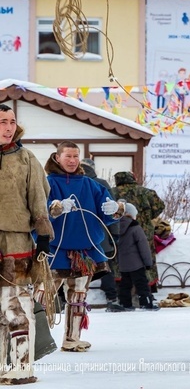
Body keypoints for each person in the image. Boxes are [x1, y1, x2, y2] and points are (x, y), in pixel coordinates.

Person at [45, 141, 125, 352]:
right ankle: (36, 338)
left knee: (79, 296)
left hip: (86, 250)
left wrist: (115, 209)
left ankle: (72, 338)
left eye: (75, 156)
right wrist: (55, 208)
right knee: (44, 295)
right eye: (68, 156)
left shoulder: (91, 184)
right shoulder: (47, 183)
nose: (72, 160)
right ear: (57, 158)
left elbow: (108, 213)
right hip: (56, 248)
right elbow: (36, 210)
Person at [0, 104, 55, 384]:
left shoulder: (25, 158)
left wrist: (43, 236)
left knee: (16, 307)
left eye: (11, 121)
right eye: (2, 122)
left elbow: (38, 196)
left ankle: (22, 367)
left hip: (16, 241)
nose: (8, 127)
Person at [80, 158, 124, 313]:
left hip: (76, 236)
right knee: (104, 268)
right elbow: (112, 211)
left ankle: (68, 299)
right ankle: (112, 299)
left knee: (73, 268)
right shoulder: (101, 183)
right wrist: (115, 234)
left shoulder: (72, 182)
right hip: (101, 235)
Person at [112, 171, 165, 291]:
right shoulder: (146, 192)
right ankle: (146, 287)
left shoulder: (112, 192)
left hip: (120, 231)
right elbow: (160, 206)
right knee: (145, 256)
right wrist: (147, 217)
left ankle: (123, 289)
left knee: (121, 258)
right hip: (143, 230)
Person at [116, 203, 158, 310]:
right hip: (137, 264)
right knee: (142, 284)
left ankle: (125, 304)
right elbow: (143, 247)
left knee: (125, 285)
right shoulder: (135, 228)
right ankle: (146, 303)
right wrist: (148, 263)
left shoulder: (117, 227)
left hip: (123, 264)